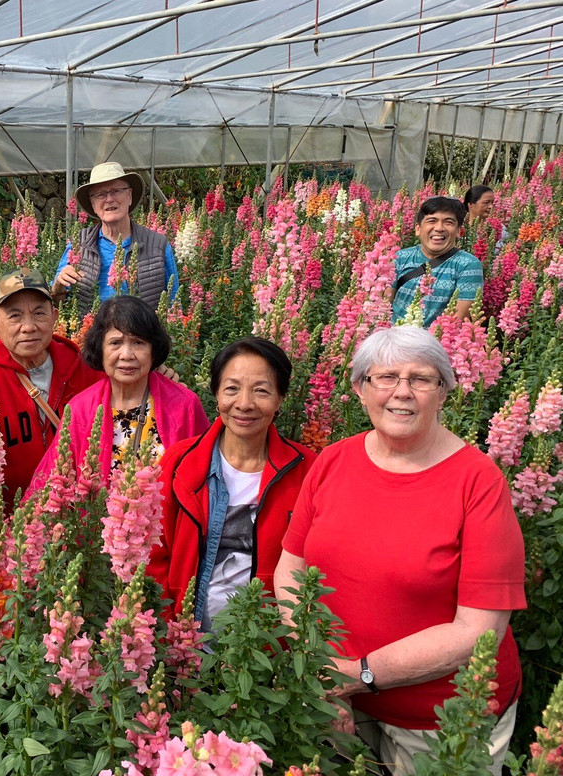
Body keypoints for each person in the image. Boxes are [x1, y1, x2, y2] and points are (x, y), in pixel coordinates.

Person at [273, 325, 525, 776]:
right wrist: (316, 667)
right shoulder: (333, 460)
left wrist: (353, 677)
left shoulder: (478, 481)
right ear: (359, 389)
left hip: (442, 718)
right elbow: (291, 569)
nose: (402, 393)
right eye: (385, 377)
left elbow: (478, 630)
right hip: (331, 692)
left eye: (422, 379)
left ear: (444, 392)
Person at [146, 338, 316, 632]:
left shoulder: (308, 470)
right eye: (232, 388)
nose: (244, 404)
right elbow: (152, 552)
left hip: (267, 647)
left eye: (261, 391)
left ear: (280, 399)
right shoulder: (179, 463)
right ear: (216, 394)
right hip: (185, 642)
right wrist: (165, 630)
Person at [29, 296, 208, 493]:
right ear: (101, 349)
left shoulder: (184, 405)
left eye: (138, 343)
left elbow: (204, 480)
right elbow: (49, 479)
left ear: (153, 350)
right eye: (115, 343)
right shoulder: (80, 408)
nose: (126, 355)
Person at [0, 268, 103, 508]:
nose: (28, 327)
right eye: (14, 316)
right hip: (7, 526)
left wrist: (156, 374)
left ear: (54, 317)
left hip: (78, 522)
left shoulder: (88, 372)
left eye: (39, 313)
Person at [52, 162, 179, 310]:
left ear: (129, 196)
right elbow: (57, 301)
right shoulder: (77, 244)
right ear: (93, 204)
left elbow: (174, 304)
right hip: (91, 331)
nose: (109, 199)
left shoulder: (158, 245)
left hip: (143, 332)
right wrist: (58, 286)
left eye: (116, 191)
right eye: (100, 194)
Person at [389, 196, 483, 326]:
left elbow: (456, 320)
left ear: (458, 231)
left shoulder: (468, 265)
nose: (439, 228)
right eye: (431, 221)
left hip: (435, 342)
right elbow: (383, 305)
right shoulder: (399, 257)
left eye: (448, 222)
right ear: (418, 228)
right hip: (394, 337)